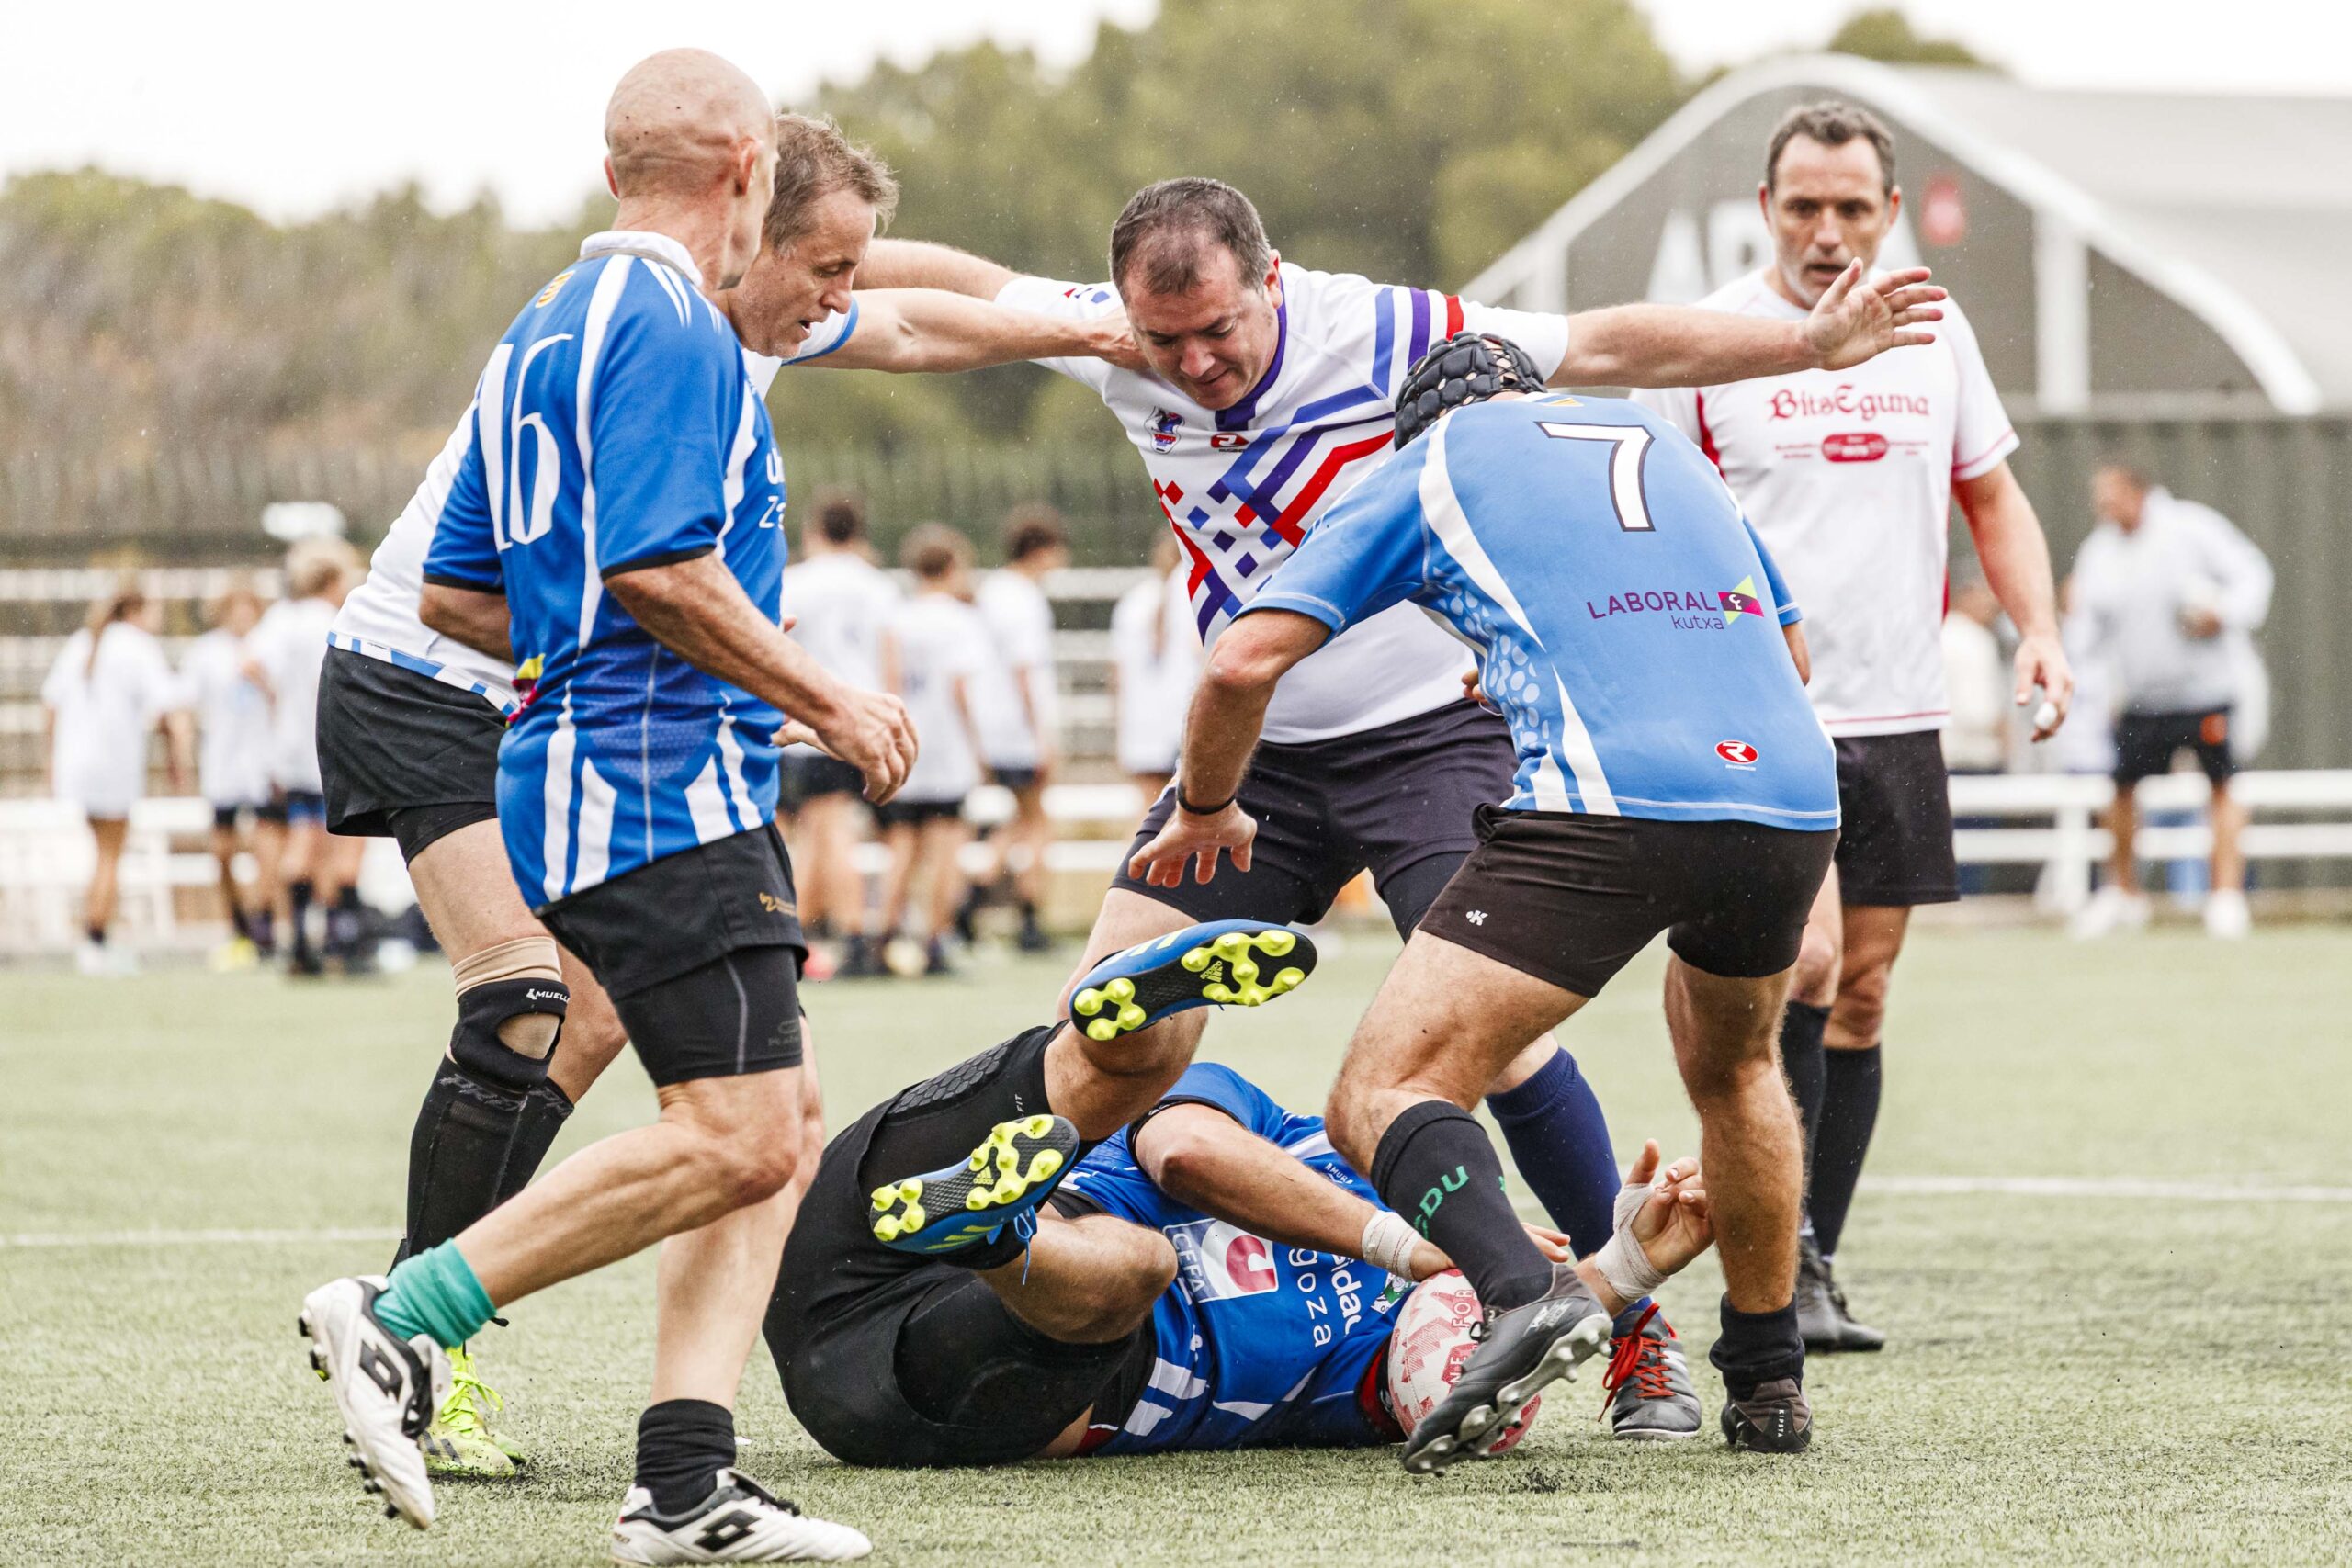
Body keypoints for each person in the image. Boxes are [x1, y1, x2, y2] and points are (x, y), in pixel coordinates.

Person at [854, 174, 1939, 1429]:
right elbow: (949, 304)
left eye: (1222, 330)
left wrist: (1803, 343)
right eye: (1170, 343)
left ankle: (1634, 1329)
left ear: (1273, 281)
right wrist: (799, 277)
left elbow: (1606, 339)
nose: (1197, 363)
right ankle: (1047, 1270)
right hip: (1252, 753)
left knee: (1504, 1040)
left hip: (1425, 737)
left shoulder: (1394, 337)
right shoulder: (1113, 336)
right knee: (1100, 1011)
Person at [301, 102, 1143, 1506]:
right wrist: (746, 670)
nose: (846, 295)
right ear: (744, 215)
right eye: (826, 267)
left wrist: (1082, 314)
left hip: (573, 701)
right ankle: (413, 1324)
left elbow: (930, 308)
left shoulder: (737, 321)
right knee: (531, 1001)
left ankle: (671, 1461)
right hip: (433, 678)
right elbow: (501, 587)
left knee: (740, 1099)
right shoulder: (659, 335)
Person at [1133, 334, 1840, 1464]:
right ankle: (1766, 1379)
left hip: (1612, 797)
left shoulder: (1430, 462)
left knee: (1382, 1091)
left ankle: (1525, 1290)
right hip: (1788, 796)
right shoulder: (1662, 443)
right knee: (1739, 1070)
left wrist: (1209, 805)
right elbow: (1790, 655)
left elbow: (1239, 663)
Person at [1633, 101, 2074, 1354]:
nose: (1827, 231)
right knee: (1805, 968)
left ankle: (1807, 1251)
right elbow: (1653, 521)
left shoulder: (1936, 329)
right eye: (1803, 206)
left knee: (1863, 994)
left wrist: (2037, 628)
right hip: (1759, 715)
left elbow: (1991, 492)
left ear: (1887, 213)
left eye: (1851, 208)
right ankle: (1785, 1264)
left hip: (1901, 714)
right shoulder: (1714, 339)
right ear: (1766, 210)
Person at [766, 1013, 1715, 1469]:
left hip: (980, 1385)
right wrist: (1403, 1246)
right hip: (848, 1272)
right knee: (1134, 1061)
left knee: (1133, 1264)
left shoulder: (1373, 1377)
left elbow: (1462, 1391)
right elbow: (1181, 1152)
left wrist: (1621, 1269)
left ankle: (988, 1233)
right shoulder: (1281, 1127)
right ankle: (1052, 1091)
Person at [2067, 464, 2274, 941]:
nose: (2103, 507)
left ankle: (2225, 897)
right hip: (2141, 699)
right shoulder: (2100, 551)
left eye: (2111, 496)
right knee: (2119, 793)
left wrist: (2223, 613)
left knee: (2221, 787)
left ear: (2137, 492)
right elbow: (2086, 627)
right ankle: (2124, 895)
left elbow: (2252, 574)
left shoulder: (2192, 528)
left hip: (2205, 692)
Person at [40, 574, 188, 975]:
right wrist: (178, 761)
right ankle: (95, 940)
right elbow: (168, 709)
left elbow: (50, 704)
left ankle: (98, 935)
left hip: (78, 763)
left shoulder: (83, 642)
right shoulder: (137, 647)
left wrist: (52, 761)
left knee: (101, 854)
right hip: (112, 765)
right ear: (137, 609)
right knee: (110, 855)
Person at [778, 491, 900, 974]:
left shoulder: (795, 581)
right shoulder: (877, 586)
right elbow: (890, 657)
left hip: (807, 719)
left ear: (814, 530)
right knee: (829, 831)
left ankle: (827, 936)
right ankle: (829, 935)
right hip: (858, 718)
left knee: (820, 831)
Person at [872, 525, 991, 976]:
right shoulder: (961, 619)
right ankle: (936, 941)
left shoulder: (897, 619)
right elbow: (961, 689)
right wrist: (978, 748)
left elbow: (891, 683)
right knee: (945, 845)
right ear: (953, 566)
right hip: (946, 749)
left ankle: (880, 938)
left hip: (907, 744)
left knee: (901, 846)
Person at [247, 538, 362, 976]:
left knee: (302, 836)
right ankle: (341, 941)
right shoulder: (330, 621)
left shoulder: (283, 620)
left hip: (290, 747)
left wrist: (280, 702)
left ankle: (296, 939)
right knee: (334, 845)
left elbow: (251, 664)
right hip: (327, 744)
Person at [958, 504, 1069, 953]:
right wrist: (1042, 735)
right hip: (1021, 728)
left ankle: (972, 897)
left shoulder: (993, 590)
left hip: (994, 723)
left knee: (1018, 819)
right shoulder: (1024, 598)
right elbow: (1026, 672)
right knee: (1038, 821)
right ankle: (1028, 916)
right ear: (1042, 550)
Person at [176, 575, 277, 966]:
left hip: (265, 763)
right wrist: (183, 753)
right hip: (222, 765)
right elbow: (185, 703)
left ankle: (263, 922)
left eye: (247, 608)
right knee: (221, 851)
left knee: (268, 844)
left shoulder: (269, 646)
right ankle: (237, 925)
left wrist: (262, 679)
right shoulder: (206, 653)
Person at [1108, 533, 1198, 799]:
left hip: (1142, 721)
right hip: (1180, 716)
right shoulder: (1188, 591)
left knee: (1150, 810)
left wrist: (1119, 724)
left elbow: (1117, 671)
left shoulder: (1134, 601)